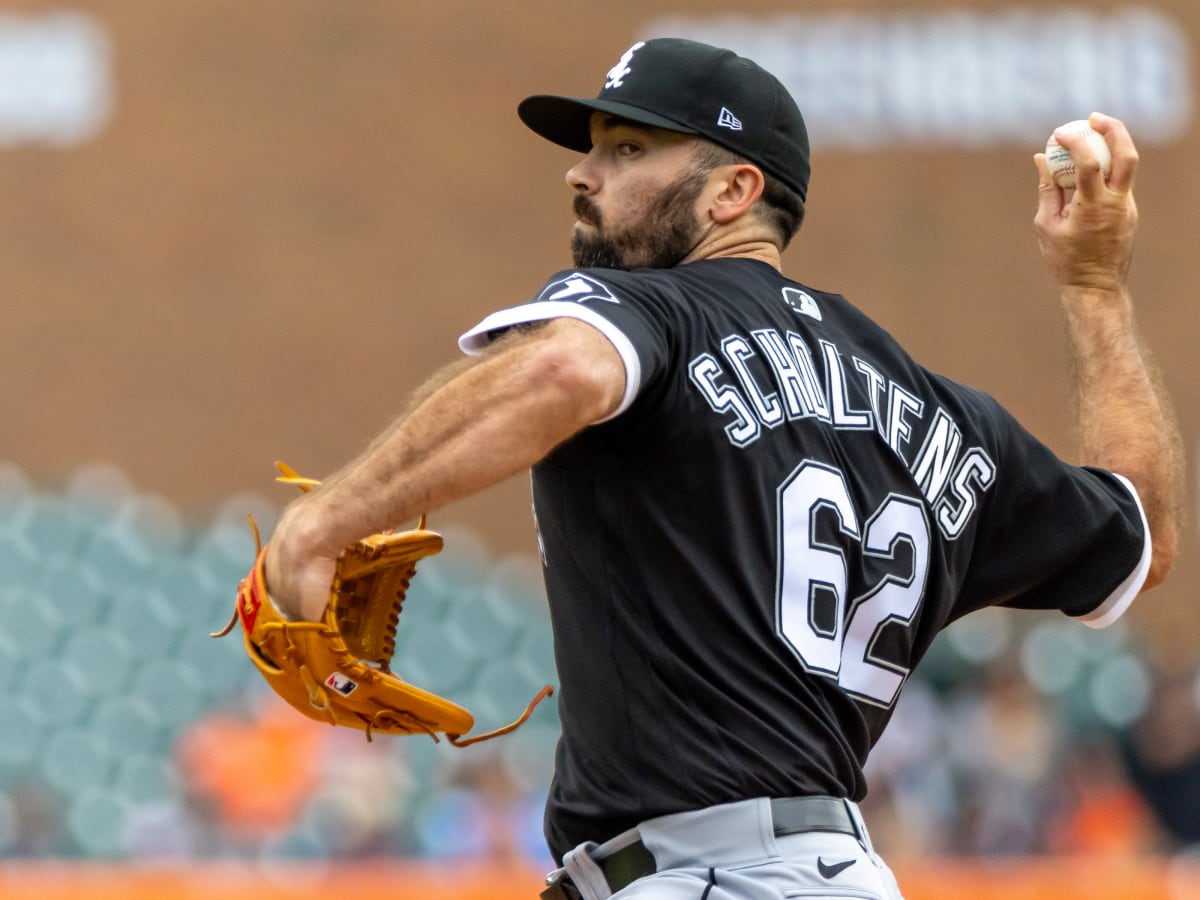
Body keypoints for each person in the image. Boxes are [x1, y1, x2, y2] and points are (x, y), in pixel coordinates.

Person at [261, 38, 1182, 900]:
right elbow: (1140, 534)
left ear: (732, 191)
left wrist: (322, 523)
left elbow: (562, 367)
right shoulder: (936, 410)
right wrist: (1095, 289)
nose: (583, 174)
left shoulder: (653, 312)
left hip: (706, 876)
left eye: (627, 150)